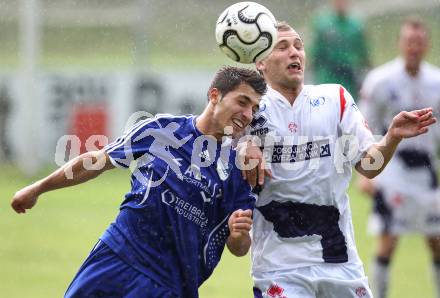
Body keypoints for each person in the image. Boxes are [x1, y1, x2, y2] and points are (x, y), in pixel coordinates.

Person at [11, 66, 267, 298]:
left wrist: (238, 233)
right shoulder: (162, 129)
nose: (246, 114)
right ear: (214, 96)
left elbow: (239, 248)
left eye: (253, 109)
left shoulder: (240, 168)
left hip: (173, 284)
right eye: (242, 102)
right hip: (117, 255)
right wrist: (38, 188)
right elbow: (97, 160)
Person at [242, 21, 436, 298]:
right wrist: (242, 147)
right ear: (260, 62)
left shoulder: (335, 99)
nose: (294, 53)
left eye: (298, 46)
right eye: (282, 47)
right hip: (279, 268)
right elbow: (218, 153)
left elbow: (369, 166)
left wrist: (392, 136)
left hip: (340, 264)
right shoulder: (249, 108)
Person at [358, 18, 440, 298]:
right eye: (409, 42)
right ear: (400, 45)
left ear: (426, 45)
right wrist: (365, 173)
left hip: (427, 169)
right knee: (388, 240)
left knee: (437, 240)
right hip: (393, 168)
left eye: (419, 42)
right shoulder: (380, 80)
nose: (413, 48)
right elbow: (365, 125)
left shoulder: (437, 81)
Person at [310, 0, 370, 99]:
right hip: (327, 75)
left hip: (350, 78)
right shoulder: (322, 23)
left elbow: (364, 55)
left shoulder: (356, 25)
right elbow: (315, 53)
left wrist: (365, 75)